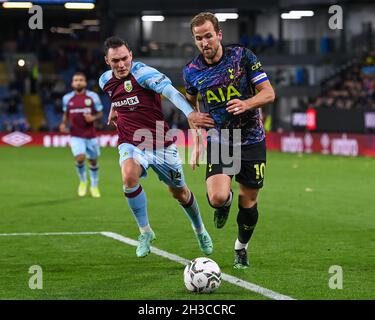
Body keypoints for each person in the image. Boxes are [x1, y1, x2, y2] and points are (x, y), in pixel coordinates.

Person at [99, 36, 215, 258]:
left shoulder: (143, 74)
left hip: (160, 143)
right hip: (130, 141)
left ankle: (199, 229)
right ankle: (145, 231)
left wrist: (190, 112)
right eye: (115, 61)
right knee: (128, 177)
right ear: (107, 60)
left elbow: (170, 92)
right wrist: (114, 109)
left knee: (179, 193)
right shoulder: (105, 80)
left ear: (131, 55)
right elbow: (117, 94)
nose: (121, 65)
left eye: (124, 59)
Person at [183, 12, 275, 269]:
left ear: (219, 34)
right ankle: (225, 201)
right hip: (222, 139)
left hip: (252, 139)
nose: (204, 42)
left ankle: (241, 247)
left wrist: (246, 103)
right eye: (198, 38)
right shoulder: (192, 71)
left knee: (249, 201)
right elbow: (191, 103)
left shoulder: (242, 57)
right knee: (217, 197)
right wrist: (195, 127)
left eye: (208, 36)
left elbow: (268, 93)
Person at [59, 72, 103, 198]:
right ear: (72, 83)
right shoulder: (67, 98)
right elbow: (66, 114)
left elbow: (100, 113)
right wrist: (63, 124)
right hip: (75, 135)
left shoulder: (93, 96)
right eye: (76, 80)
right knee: (80, 158)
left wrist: (93, 117)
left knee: (93, 161)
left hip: (91, 135)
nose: (78, 82)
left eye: (81, 80)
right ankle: (83, 181)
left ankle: (94, 185)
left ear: (85, 82)